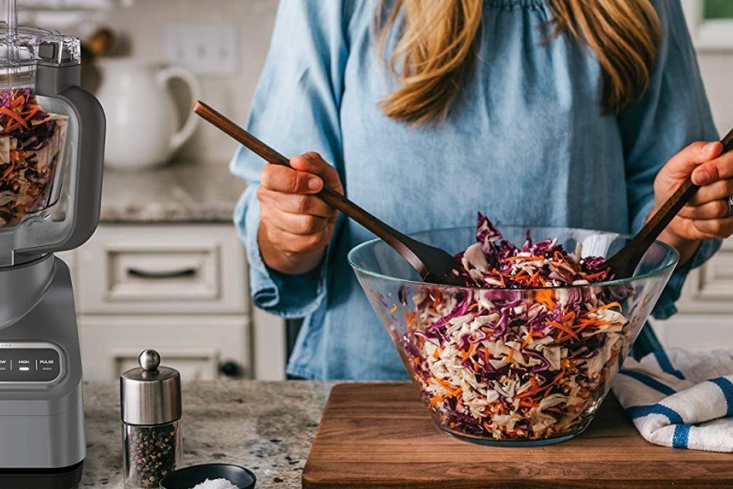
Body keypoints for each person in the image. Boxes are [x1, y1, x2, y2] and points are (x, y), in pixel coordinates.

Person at [230, 0, 733, 380]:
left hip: (585, 383)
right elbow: (281, 223)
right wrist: (288, 228)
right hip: (369, 388)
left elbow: (661, 223)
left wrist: (680, 221)